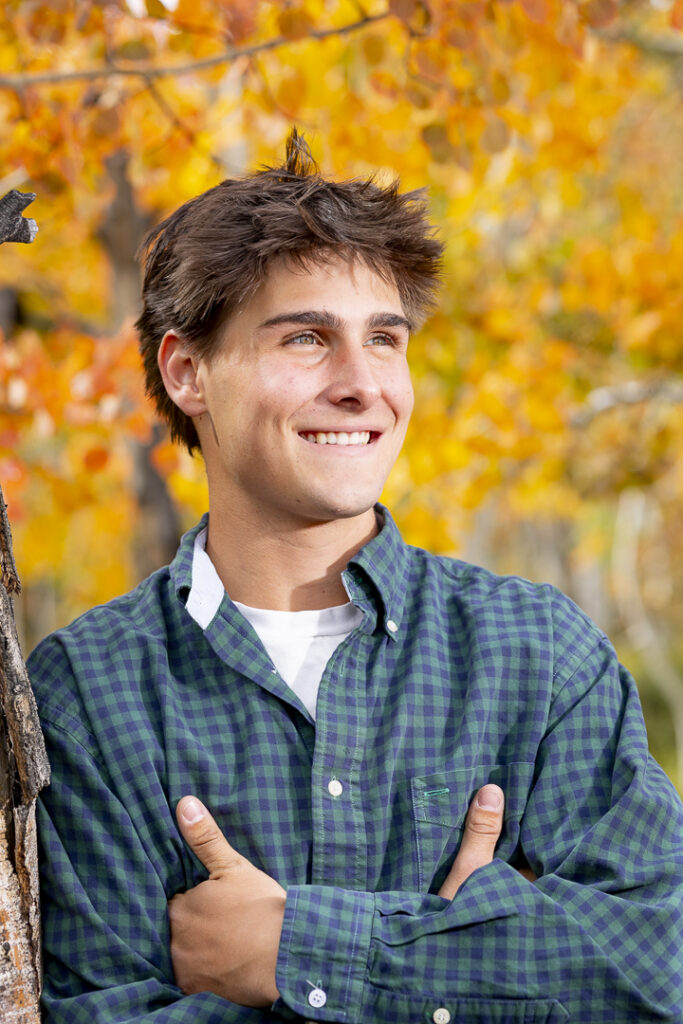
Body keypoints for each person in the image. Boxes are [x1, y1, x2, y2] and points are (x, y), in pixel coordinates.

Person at [28, 129, 683, 1024]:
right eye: (306, 338)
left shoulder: (537, 654)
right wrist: (474, 957)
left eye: (385, 338)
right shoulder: (86, 695)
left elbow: (656, 970)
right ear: (187, 372)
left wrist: (294, 949)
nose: (361, 383)